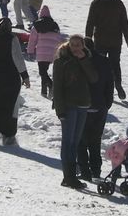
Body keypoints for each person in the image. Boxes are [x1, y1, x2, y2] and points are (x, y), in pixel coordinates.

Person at [52, 35, 98, 189]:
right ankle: (69, 176)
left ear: (83, 45)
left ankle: (71, 176)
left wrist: (83, 60)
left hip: (83, 105)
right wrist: (60, 110)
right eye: (73, 45)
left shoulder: (86, 58)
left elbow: (93, 78)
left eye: (78, 45)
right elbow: (57, 87)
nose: (75, 47)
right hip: (69, 105)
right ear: (68, 45)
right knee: (68, 142)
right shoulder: (61, 61)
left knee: (75, 142)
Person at [0, 17, 30, 146]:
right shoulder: (12, 39)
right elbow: (18, 58)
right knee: (9, 106)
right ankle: (8, 135)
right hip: (10, 79)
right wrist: (25, 76)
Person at [85, 0, 128, 99]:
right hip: (115, 40)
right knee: (115, 64)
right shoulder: (118, 3)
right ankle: (118, 86)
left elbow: (90, 22)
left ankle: (100, 88)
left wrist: (88, 38)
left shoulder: (96, 3)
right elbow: (124, 22)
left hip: (100, 40)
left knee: (99, 64)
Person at [78, 37, 114, 181]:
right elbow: (109, 84)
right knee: (95, 139)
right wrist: (107, 104)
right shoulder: (104, 61)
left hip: (83, 106)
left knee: (80, 140)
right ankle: (96, 169)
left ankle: (84, 170)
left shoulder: (79, 61)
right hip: (100, 106)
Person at [27, 5, 62, 96]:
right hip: (52, 53)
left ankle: (51, 85)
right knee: (44, 72)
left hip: (41, 53)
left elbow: (32, 40)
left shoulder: (37, 25)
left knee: (42, 72)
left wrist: (30, 51)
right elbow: (59, 39)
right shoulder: (55, 25)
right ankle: (44, 91)